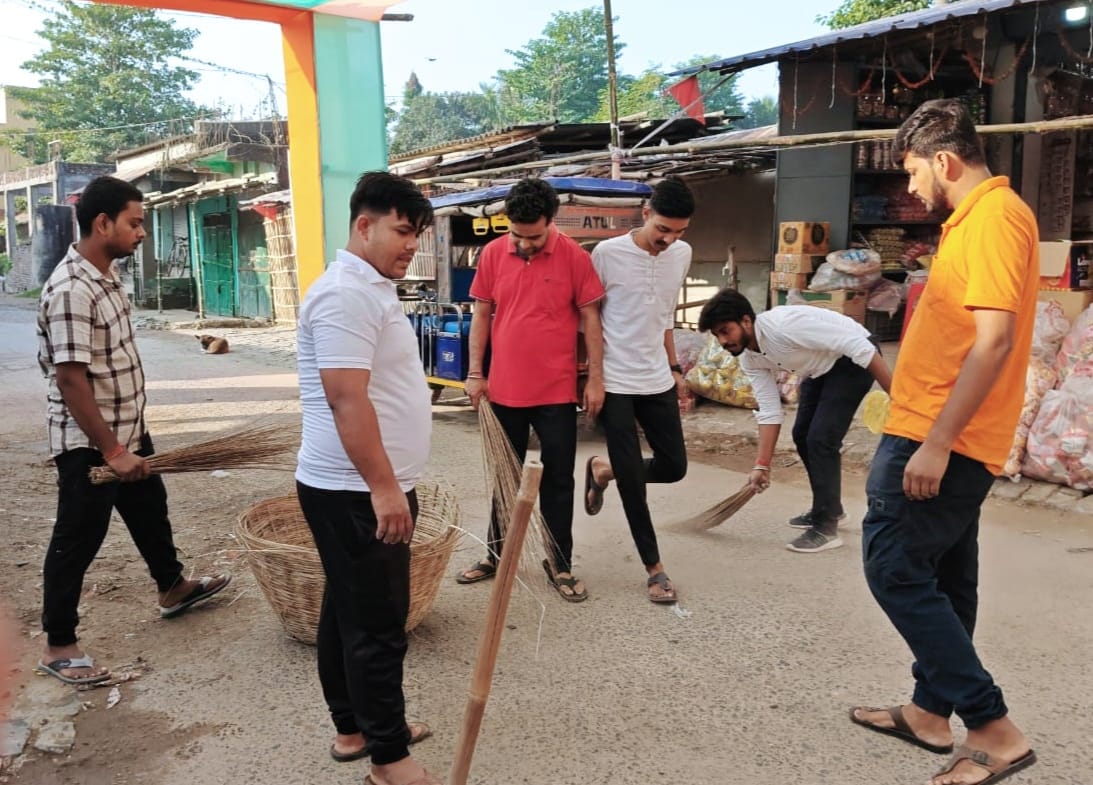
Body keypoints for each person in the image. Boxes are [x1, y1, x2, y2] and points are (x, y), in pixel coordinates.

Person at [849, 99, 1038, 785]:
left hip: (939, 434)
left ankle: (992, 728)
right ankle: (930, 712)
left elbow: (992, 341)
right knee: (945, 574)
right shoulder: (983, 217)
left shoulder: (991, 218)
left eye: (911, 172)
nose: (910, 189)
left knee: (892, 567)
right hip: (941, 428)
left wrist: (936, 441)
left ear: (944, 160)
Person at [35, 175, 231, 686]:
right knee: (77, 538)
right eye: (135, 222)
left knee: (149, 509)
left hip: (125, 429)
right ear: (103, 224)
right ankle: (59, 644)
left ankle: (172, 586)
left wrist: (129, 441)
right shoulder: (72, 289)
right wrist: (113, 450)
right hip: (91, 442)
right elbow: (71, 380)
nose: (142, 232)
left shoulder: (106, 276)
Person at [294, 172, 437, 785]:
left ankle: (354, 729)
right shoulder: (346, 294)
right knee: (378, 623)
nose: (412, 246)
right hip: (356, 490)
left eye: (416, 234)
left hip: (356, 486)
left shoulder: (370, 288)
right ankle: (389, 759)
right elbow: (345, 399)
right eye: (403, 232)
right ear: (364, 224)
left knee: (346, 610)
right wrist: (384, 488)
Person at [457, 177, 606, 602]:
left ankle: (559, 563)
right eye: (516, 235)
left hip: (557, 392)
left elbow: (591, 321)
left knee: (559, 480)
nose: (523, 244)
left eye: (533, 236)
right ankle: (494, 554)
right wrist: (474, 373)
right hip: (504, 389)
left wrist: (595, 378)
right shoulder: (492, 254)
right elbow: (482, 316)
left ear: (551, 223)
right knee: (506, 476)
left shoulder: (575, 257)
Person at [697, 288, 892, 553]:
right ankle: (830, 507)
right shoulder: (748, 357)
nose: (722, 341)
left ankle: (826, 527)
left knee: (821, 439)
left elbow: (860, 348)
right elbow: (768, 410)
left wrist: (898, 396)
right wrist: (762, 465)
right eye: (717, 335)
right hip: (818, 368)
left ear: (745, 321)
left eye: (725, 330)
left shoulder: (784, 327)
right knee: (802, 435)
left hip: (851, 360)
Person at [584, 176, 694, 603]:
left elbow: (664, 314)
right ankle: (655, 570)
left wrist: (673, 367)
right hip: (615, 380)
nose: (669, 239)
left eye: (679, 231)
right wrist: (593, 377)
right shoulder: (607, 254)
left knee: (674, 466)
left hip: (656, 378)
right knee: (634, 482)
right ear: (646, 213)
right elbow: (590, 318)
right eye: (663, 229)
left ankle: (602, 469)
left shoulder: (681, 253)